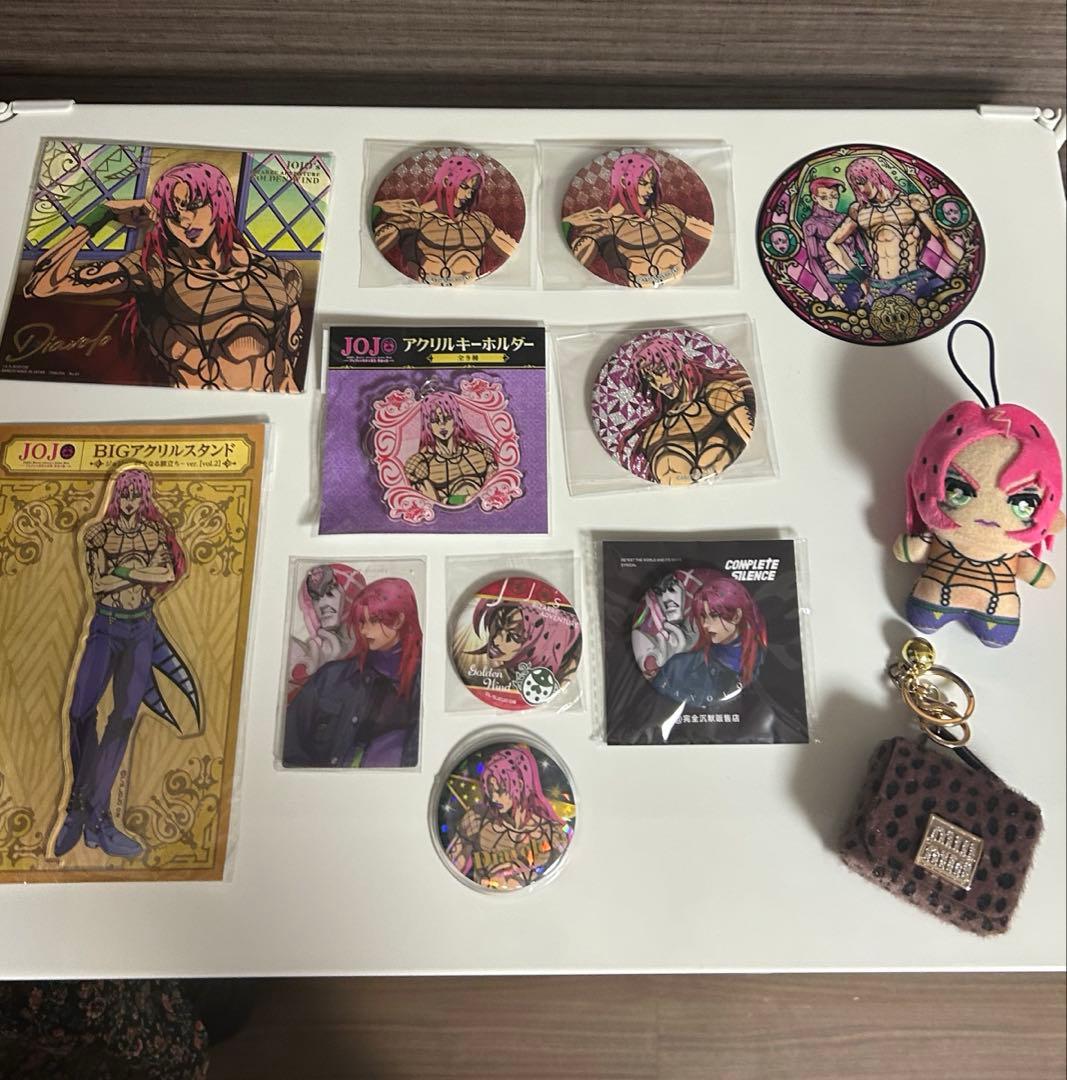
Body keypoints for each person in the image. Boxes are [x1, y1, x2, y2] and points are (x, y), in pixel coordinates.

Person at [24, 160, 304, 390]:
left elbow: (287, 356)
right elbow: (43, 285)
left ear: (219, 202)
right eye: (172, 214)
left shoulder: (277, 271)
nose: (184, 220)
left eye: (193, 205)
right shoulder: (154, 269)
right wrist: (103, 214)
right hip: (193, 411)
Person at [55, 467, 198, 859]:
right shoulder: (98, 533)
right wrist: (138, 575)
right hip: (106, 626)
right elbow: (98, 584)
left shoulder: (154, 532)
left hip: (140, 629)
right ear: (117, 495)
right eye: (125, 494)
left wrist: (122, 570)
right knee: (80, 712)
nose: (130, 502)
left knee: (123, 718)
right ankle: (83, 808)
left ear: (144, 497)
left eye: (136, 495)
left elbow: (166, 572)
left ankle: (92, 816)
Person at [894, 401, 1064, 647]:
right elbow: (1043, 578)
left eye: (1023, 503)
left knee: (994, 631)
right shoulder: (944, 538)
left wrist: (908, 548)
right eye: (958, 490)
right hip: (940, 595)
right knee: (927, 616)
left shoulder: (1011, 554)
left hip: (994, 605)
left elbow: (908, 551)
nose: (989, 514)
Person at [283, 578, 422, 767]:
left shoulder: (425, 683)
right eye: (361, 622)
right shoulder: (331, 677)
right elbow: (289, 745)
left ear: (398, 620)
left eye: (374, 621)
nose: (364, 630)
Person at [562, 151, 713, 287]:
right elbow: (571, 263)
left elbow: (711, 232)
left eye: (652, 184)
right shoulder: (607, 226)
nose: (650, 190)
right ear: (623, 182)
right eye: (643, 183)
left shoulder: (667, 212)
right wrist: (569, 222)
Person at [826, 156, 962, 306]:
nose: (862, 190)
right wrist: (861, 278)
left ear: (875, 175)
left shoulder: (911, 203)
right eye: (857, 186)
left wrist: (965, 267)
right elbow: (831, 244)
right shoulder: (859, 211)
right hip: (877, 288)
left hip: (911, 283)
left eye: (862, 182)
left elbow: (942, 238)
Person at [373, 154, 518, 285]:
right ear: (446, 181)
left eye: (472, 190)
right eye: (463, 187)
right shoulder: (416, 217)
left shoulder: (479, 221)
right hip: (422, 294)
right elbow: (374, 244)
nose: (468, 195)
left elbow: (514, 250)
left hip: (475, 295)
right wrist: (379, 208)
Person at [628, 336, 753, 485]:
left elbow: (751, 439)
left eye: (660, 369)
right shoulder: (654, 430)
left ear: (678, 361)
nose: (658, 382)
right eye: (649, 378)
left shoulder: (718, 395)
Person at [446, 745, 569, 890]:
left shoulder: (551, 833)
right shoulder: (478, 820)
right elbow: (447, 873)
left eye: (499, 790)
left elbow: (567, 881)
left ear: (520, 785)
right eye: (490, 790)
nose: (494, 798)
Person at [651, 569, 767, 706]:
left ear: (736, 616)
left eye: (714, 615)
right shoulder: (677, 666)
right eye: (702, 616)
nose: (705, 624)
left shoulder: (763, 660)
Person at [463, 581, 582, 699]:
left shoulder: (563, 675)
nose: (496, 640)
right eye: (498, 625)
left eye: (513, 636)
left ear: (543, 645)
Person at [403, 390, 497, 506]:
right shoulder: (421, 464)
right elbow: (436, 501)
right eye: (435, 420)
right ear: (428, 425)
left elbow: (492, 486)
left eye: (447, 418)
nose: (442, 425)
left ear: (456, 419)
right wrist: (464, 498)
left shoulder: (481, 450)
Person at [286, 563, 366, 699]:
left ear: (350, 595)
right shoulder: (306, 654)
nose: (322, 604)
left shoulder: (371, 648)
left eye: (330, 592)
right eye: (315, 598)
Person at [800, 177, 871, 310]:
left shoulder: (844, 218)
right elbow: (813, 260)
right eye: (824, 197)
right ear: (815, 198)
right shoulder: (811, 224)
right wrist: (831, 292)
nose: (830, 201)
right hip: (838, 281)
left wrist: (874, 273)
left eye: (834, 196)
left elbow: (862, 248)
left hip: (860, 274)